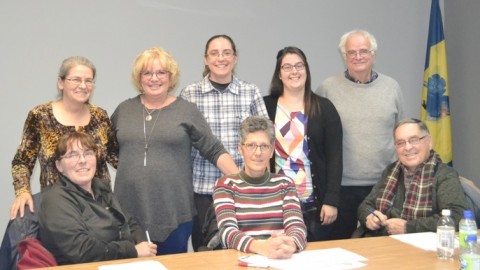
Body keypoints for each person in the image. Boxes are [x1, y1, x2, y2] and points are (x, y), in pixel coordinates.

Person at [111, 47, 239, 255]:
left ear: (171, 77)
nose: (154, 78)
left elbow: (213, 149)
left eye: (161, 72)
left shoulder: (186, 110)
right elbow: (110, 151)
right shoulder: (123, 110)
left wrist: (243, 183)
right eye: (147, 73)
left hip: (173, 212)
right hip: (128, 212)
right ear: (139, 77)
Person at [179, 34, 268, 251]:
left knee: (243, 250)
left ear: (235, 58)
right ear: (205, 59)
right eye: (214, 53)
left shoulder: (250, 92)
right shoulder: (189, 94)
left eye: (227, 53)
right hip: (202, 191)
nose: (221, 58)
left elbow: (266, 138)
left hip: (243, 190)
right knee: (205, 253)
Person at [316, 29, 405, 239]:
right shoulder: (327, 89)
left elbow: (400, 134)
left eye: (364, 51)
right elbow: (318, 140)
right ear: (344, 56)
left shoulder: (392, 88)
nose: (358, 57)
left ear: (373, 54)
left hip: (384, 185)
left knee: (384, 249)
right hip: (341, 187)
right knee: (340, 247)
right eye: (351, 52)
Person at [10, 56, 118, 220]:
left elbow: (116, 157)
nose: (83, 86)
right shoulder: (40, 116)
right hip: (58, 211)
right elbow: (21, 162)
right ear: (61, 83)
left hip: (99, 209)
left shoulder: (100, 116)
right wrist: (22, 191)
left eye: (89, 81)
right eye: (76, 79)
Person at [38, 132, 156, 265]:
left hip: (120, 263)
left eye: (88, 153)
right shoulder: (55, 201)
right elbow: (82, 251)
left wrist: (143, 244)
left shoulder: (101, 188)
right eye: (72, 155)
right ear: (59, 165)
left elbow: (130, 222)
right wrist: (133, 251)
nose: (82, 160)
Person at [263, 46, 343, 241]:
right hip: (277, 202)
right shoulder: (265, 106)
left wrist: (331, 200)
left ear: (306, 70)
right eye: (287, 67)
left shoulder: (324, 107)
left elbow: (335, 157)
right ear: (279, 74)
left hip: (314, 204)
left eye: (299, 66)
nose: (294, 71)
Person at [213, 116, 307, 258]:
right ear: (240, 149)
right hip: (241, 262)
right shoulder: (225, 185)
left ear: (271, 151)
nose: (258, 153)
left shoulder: (285, 184)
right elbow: (227, 232)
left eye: (264, 146)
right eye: (251, 146)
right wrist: (261, 247)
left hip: (281, 259)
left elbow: (297, 227)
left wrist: (291, 244)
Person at [357, 119, 468, 236]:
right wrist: (369, 217)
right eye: (400, 143)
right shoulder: (390, 171)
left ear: (429, 142)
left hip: (423, 247)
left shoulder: (444, 174)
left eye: (414, 140)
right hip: (381, 241)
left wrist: (408, 227)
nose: (408, 147)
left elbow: (457, 216)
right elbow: (366, 205)